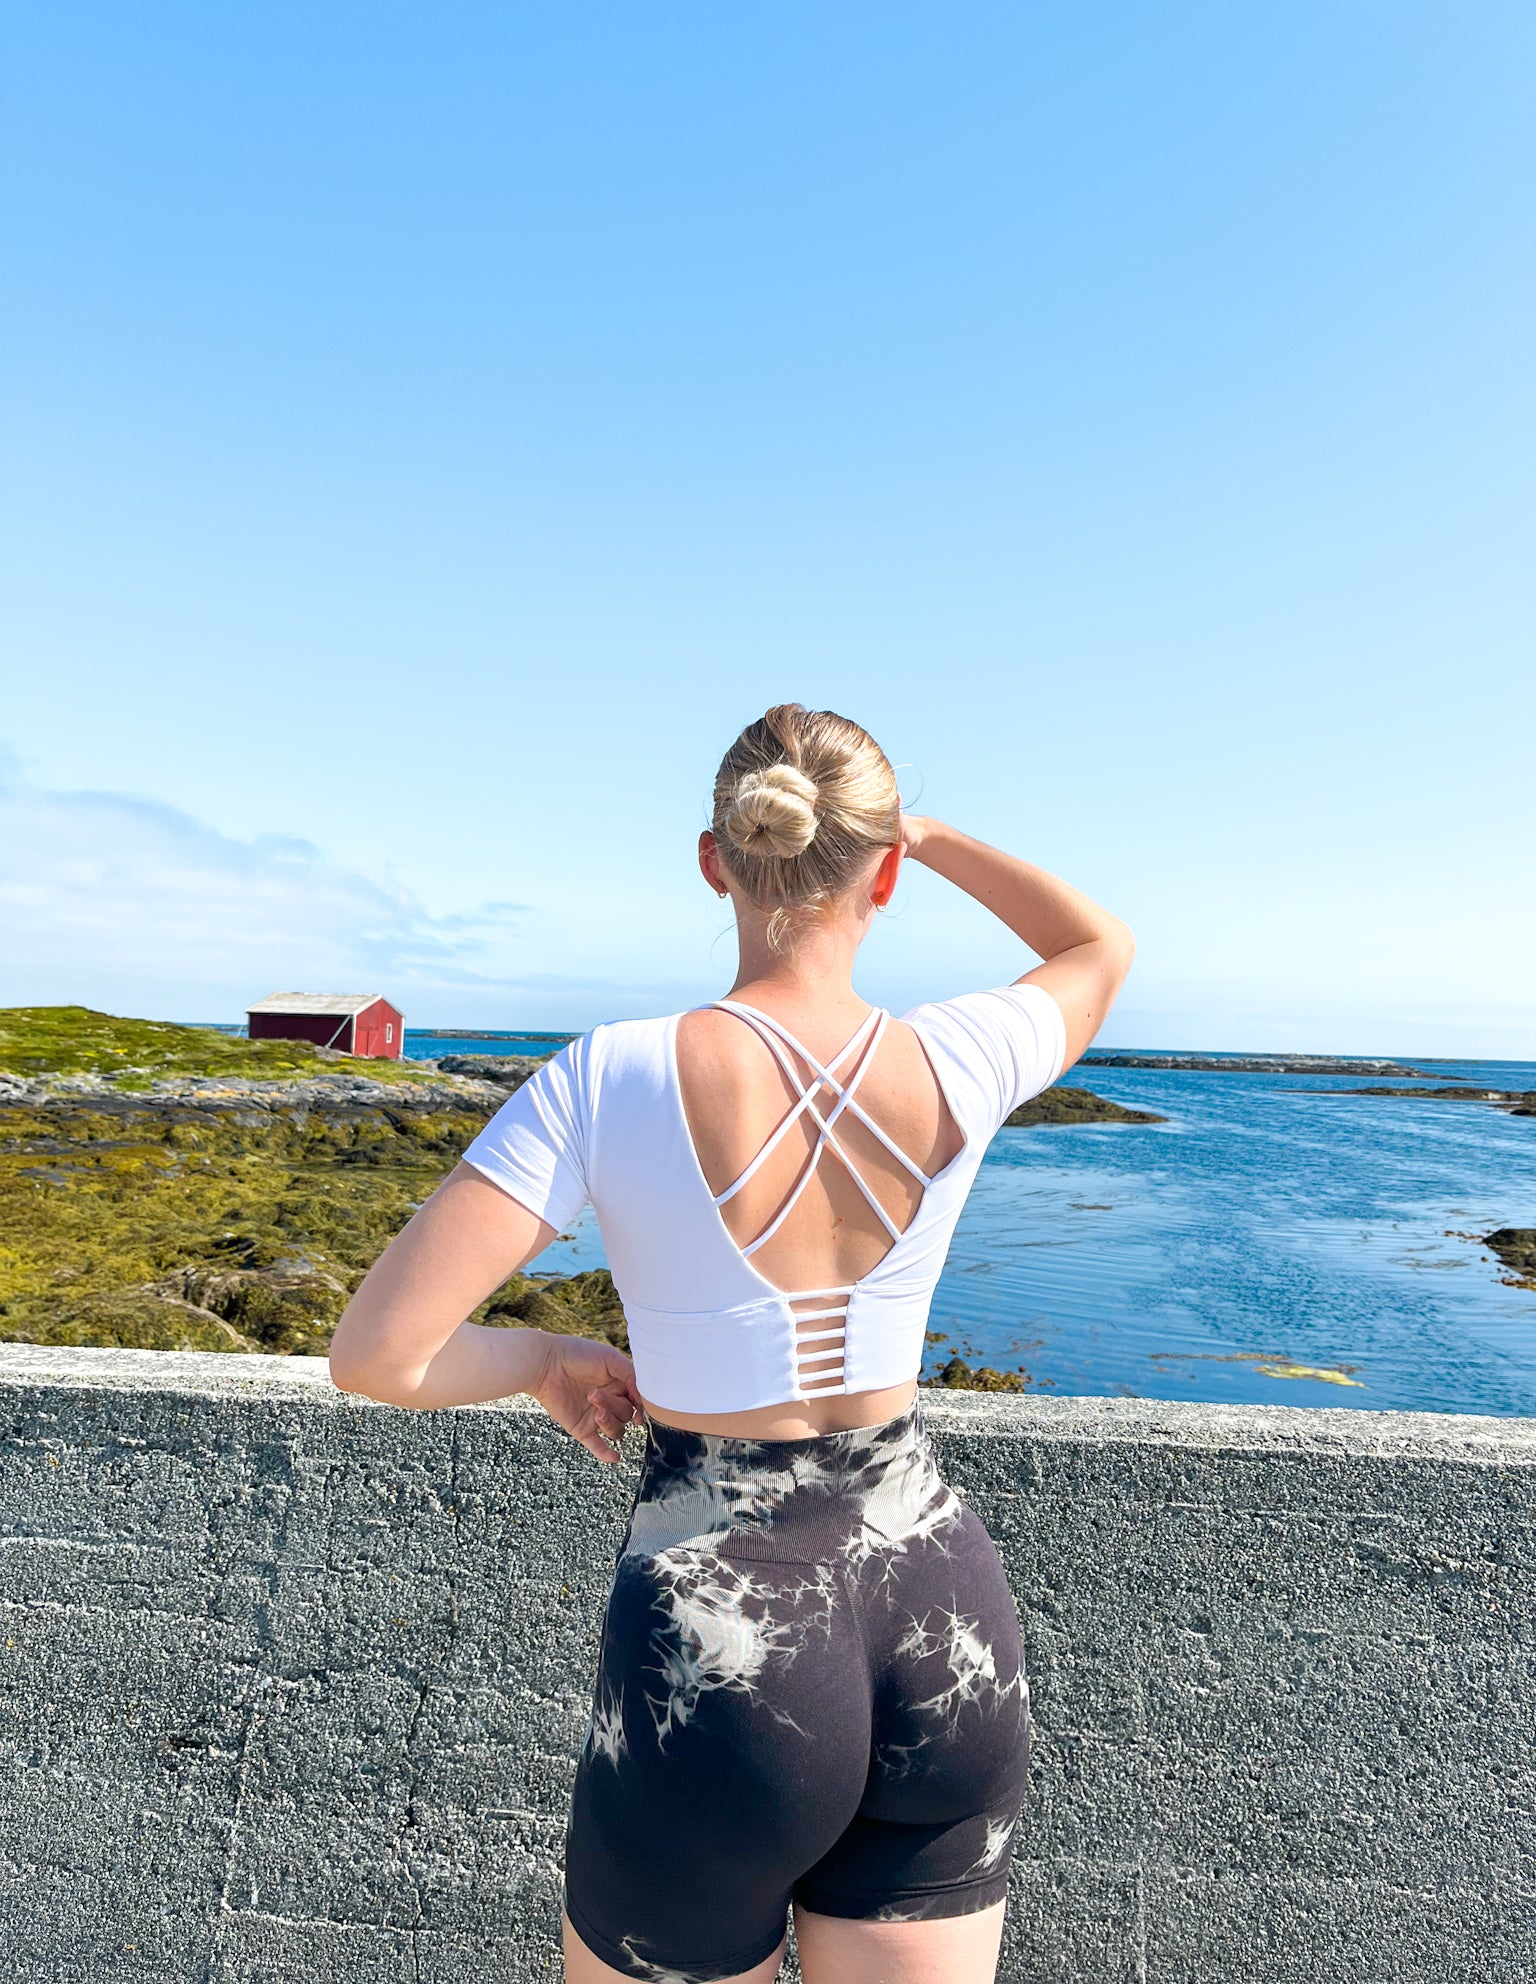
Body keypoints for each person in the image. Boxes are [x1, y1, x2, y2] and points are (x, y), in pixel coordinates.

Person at [329, 704, 1134, 1984]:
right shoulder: (963, 1053)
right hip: (938, 1602)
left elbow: (377, 1352)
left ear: (716, 859)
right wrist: (926, 838)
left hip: (722, 1629)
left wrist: (543, 1358)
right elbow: (1097, 943)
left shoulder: (610, 1076)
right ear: (879, 870)